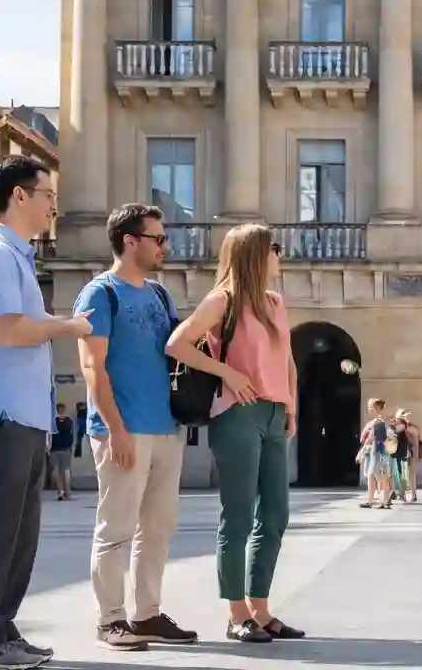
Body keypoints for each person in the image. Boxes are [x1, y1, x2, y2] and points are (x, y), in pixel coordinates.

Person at [0, 155, 93, 670]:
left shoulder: (17, 257)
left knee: (18, 531)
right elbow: (6, 330)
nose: (55, 204)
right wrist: (67, 326)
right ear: (18, 196)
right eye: (47, 194)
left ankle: (1, 627)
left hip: (23, 414)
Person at [166, 223, 304, 645]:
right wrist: (227, 371)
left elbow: (288, 359)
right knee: (239, 514)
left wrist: (291, 404)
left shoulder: (275, 303)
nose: (279, 255)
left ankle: (261, 610)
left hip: (273, 412)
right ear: (254, 254)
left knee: (276, 513)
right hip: (237, 413)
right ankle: (236, 612)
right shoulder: (221, 301)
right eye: (274, 248)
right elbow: (176, 344)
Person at [76, 203, 198, 651]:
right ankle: (111, 619)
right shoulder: (99, 294)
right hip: (121, 429)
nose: (166, 246)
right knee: (116, 527)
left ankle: (146, 614)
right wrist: (116, 430)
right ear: (131, 241)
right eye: (158, 238)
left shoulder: (161, 295)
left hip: (166, 426)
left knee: (159, 526)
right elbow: (92, 367)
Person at [358, 399, 394, 510]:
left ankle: (384, 500)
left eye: (371, 407)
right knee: (377, 475)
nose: (369, 409)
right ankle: (382, 500)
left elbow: (371, 437)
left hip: (379, 451)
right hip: (377, 451)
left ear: (377, 408)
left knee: (380, 476)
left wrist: (362, 451)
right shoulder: (378, 421)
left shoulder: (379, 422)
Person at [49, 404, 74, 500]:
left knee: (56, 470)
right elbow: (71, 435)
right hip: (66, 449)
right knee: (65, 470)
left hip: (54, 449)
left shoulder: (52, 422)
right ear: (63, 410)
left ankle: (60, 492)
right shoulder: (69, 421)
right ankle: (67, 491)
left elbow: (49, 435)